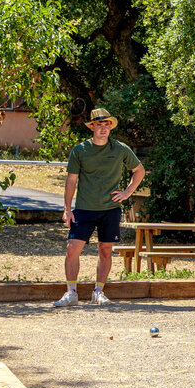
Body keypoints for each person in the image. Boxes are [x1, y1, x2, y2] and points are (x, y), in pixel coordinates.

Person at [54, 107, 145, 307]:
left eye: (107, 124)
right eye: (99, 124)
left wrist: (127, 193)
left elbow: (139, 170)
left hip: (110, 209)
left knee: (105, 250)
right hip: (84, 208)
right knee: (72, 249)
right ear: (92, 127)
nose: (103, 128)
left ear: (110, 127)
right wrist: (67, 209)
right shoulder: (80, 150)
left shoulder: (120, 148)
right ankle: (71, 292)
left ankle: (98, 291)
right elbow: (71, 181)